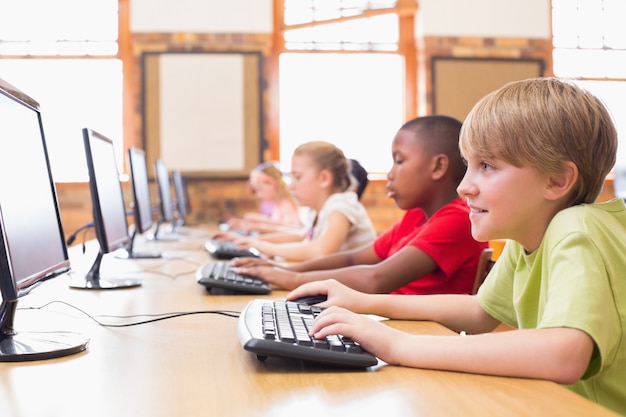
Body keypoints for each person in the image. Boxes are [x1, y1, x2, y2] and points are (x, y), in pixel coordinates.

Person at [288, 78, 626, 416]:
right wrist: (363, 302)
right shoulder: (534, 234)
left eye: (488, 166)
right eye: (469, 165)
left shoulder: (576, 228)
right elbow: (480, 311)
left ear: (556, 180)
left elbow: (564, 353)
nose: (465, 187)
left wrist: (398, 344)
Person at [233, 115, 488, 294]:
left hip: (423, 337)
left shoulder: (457, 219)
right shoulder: (416, 217)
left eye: (399, 161)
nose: (389, 174)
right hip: (390, 325)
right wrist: (280, 269)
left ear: (438, 166)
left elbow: (377, 278)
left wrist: (292, 278)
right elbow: (355, 258)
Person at [213, 141, 377, 262]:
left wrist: (265, 247)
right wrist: (250, 241)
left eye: (297, 177)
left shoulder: (342, 205)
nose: (291, 186)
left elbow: (321, 252)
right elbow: (299, 237)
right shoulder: (319, 210)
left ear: (324, 178)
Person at [224, 161, 304, 234]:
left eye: (259, 190)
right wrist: (245, 224)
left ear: (272, 185)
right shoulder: (277, 205)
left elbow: (289, 229)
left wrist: (259, 222)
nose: (258, 195)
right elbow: (277, 224)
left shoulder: (286, 205)